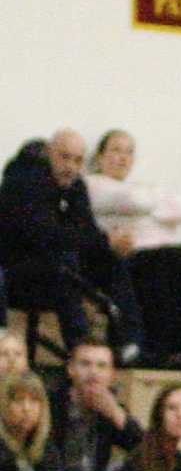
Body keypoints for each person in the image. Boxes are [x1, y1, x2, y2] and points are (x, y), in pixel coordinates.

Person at [1, 127, 137, 358]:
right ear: (49, 155)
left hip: (55, 269)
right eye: (64, 157)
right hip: (18, 271)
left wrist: (112, 244)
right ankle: (81, 352)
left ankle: (130, 344)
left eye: (77, 160)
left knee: (114, 263)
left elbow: (87, 231)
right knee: (64, 269)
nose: (71, 167)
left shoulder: (76, 186)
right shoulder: (25, 184)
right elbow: (45, 235)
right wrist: (104, 240)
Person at [86, 128, 181, 363]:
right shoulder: (92, 184)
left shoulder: (137, 188)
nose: (122, 158)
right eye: (116, 150)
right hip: (124, 257)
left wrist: (144, 206)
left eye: (129, 152)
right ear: (100, 157)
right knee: (176, 261)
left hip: (154, 254)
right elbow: (132, 201)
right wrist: (150, 204)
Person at [49, 336, 138, 471]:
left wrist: (116, 414)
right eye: (85, 364)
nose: (93, 373)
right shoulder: (51, 404)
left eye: (101, 366)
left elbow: (144, 451)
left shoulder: (112, 410)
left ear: (113, 375)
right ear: (71, 369)